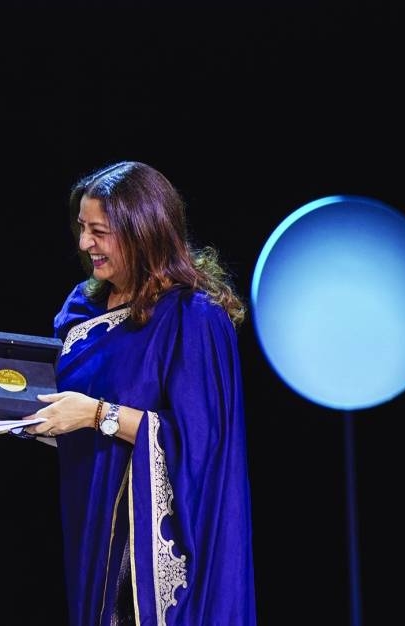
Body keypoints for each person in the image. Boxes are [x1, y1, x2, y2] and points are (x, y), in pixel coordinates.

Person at [25, 161, 257, 625]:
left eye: (99, 232)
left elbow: (202, 446)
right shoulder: (82, 309)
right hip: (92, 527)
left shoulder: (194, 319)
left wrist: (97, 415)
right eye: (82, 228)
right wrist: (12, 414)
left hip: (157, 546)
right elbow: (64, 406)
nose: (84, 243)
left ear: (142, 232)